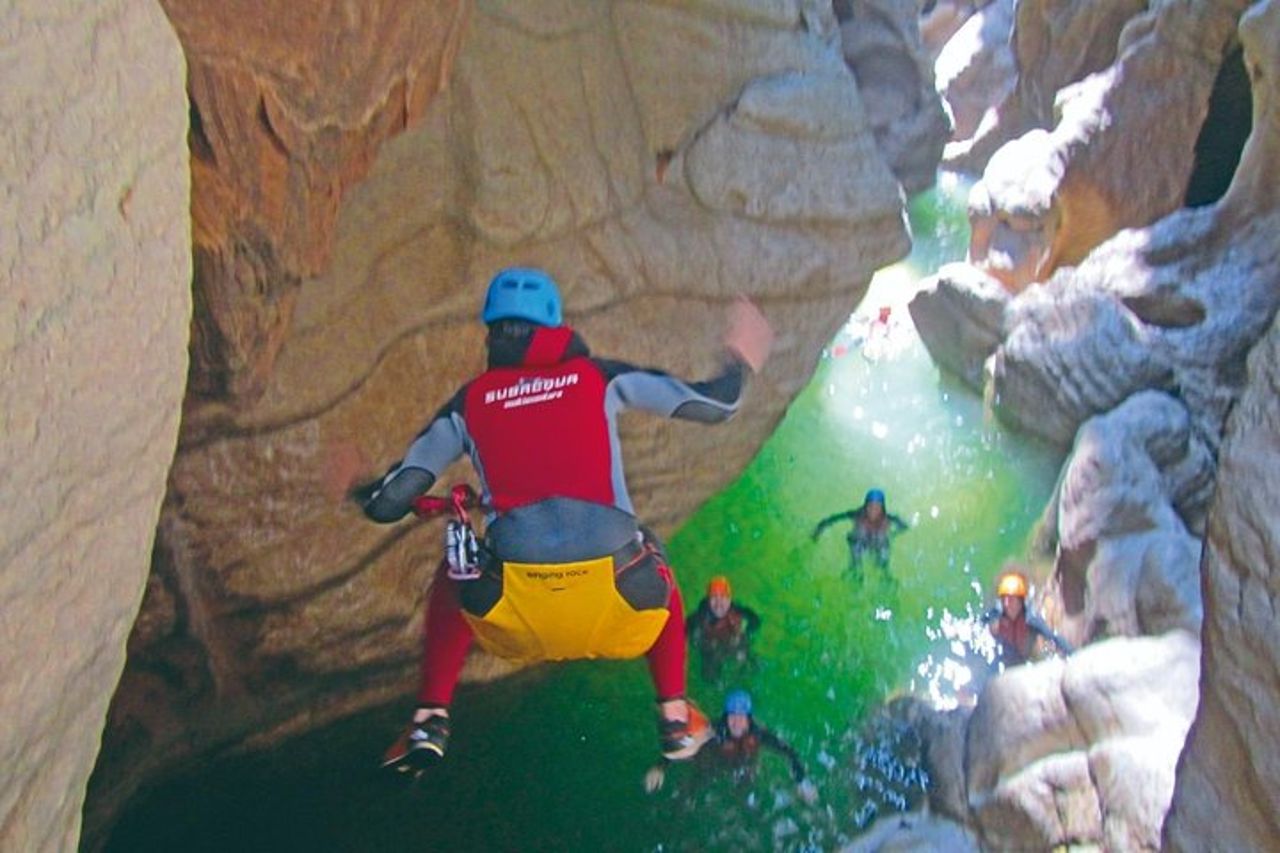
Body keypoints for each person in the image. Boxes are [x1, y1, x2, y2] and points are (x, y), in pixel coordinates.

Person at [335, 266, 774, 775]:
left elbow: (390, 502)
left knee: (453, 572)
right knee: (651, 550)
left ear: (493, 332)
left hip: (513, 617)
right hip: (624, 604)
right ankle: (675, 717)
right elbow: (718, 406)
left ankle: (429, 719)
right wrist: (740, 359)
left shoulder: (470, 403)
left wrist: (353, 486)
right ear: (554, 325)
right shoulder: (598, 378)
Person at [644, 689, 818, 804]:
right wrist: (660, 767)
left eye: (741, 716)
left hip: (744, 768)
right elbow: (682, 746)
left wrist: (801, 781)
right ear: (725, 717)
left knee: (745, 801)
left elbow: (789, 752)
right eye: (732, 716)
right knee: (689, 796)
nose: (736, 722)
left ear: (749, 718)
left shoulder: (758, 732)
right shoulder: (713, 730)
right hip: (712, 766)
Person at [981, 567, 1074, 667]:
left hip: (1024, 652)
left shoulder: (1031, 620)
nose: (1007, 604)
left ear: (1020, 601)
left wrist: (1072, 655)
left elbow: (1054, 638)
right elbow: (978, 624)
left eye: (1011, 600)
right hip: (1006, 649)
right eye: (1004, 599)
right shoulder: (997, 613)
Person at [811, 488, 909, 573]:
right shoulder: (857, 514)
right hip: (859, 542)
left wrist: (893, 534)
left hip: (878, 543)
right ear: (865, 506)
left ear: (882, 508)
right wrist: (819, 529)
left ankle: (885, 577)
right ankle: (854, 573)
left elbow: (904, 526)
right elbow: (833, 519)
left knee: (882, 560)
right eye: (870, 506)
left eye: (877, 507)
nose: (873, 511)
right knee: (856, 554)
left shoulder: (888, 518)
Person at [685, 575, 761, 681]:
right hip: (711, 650)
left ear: (730, 599)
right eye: (714, 597)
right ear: (708, 600)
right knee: (709, 677)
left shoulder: (737, 610)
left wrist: (746, 632)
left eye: (723, 597)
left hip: (734, 644)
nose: (719, 603)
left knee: (753, 667)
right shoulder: (700, 616)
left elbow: (755, 621)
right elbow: (682, 632)